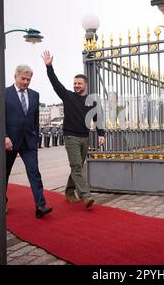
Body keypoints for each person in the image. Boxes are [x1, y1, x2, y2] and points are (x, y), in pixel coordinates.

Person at [41, 50, 105, 209]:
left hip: (85, 137)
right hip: (71, 137)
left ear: (85, 85)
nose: (76, 86)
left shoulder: (92, 101)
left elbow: (97, 119)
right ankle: (86, 195)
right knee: (76, 166)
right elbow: (55, 83)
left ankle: (69, 191)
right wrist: (49, 67)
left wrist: (101, 134)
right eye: (74, 83)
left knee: (77, 166)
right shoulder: (68, 96)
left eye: (79, 83)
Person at [5, 65, 52, 218]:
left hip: (29, 143)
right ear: (15, 77)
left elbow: (35, 119)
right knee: (3, 174)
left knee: (34, 173)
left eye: (28, 79)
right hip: (9, 142)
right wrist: (4, 137)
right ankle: (1, 201)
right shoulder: (4, 94)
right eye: (23, 79)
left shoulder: (35, 95)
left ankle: (40, 205)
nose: (25, 82)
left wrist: (36, 137)